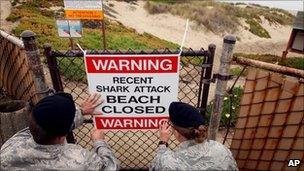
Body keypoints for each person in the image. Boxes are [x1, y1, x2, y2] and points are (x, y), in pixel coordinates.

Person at [0, 93, 119, 170]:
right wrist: (99, 142)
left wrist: (81, 111)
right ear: (62, 136)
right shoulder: (81, 160)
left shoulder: (10, 147)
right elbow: (111, 166)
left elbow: (48, 125)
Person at [150, 102, 238, 170]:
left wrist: (163, 143)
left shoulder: (168, 163)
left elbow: (155, 167)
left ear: (177, 132)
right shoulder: (222, 150)